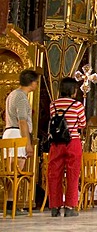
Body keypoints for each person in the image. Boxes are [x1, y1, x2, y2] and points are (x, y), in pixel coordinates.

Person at [47, 77, 86, 217]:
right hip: (73, 142)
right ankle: (70, 207)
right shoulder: (78, 105)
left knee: (54, 174)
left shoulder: (53, 105)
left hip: (56, 143)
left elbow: (53, 120)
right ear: (74, 90)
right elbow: (82, 124)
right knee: (73, 174)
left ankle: (55, 206)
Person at [3, 69, 39, 215]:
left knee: (10, 172)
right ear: (32, 82)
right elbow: (22, 121)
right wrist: (28, 143)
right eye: (36, 82)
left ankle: (8, 202)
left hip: (9, 133)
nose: (36, 85)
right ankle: (12, 204)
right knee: (16, 173)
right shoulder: (22, 98)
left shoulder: (12, 94)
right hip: (18, 134)